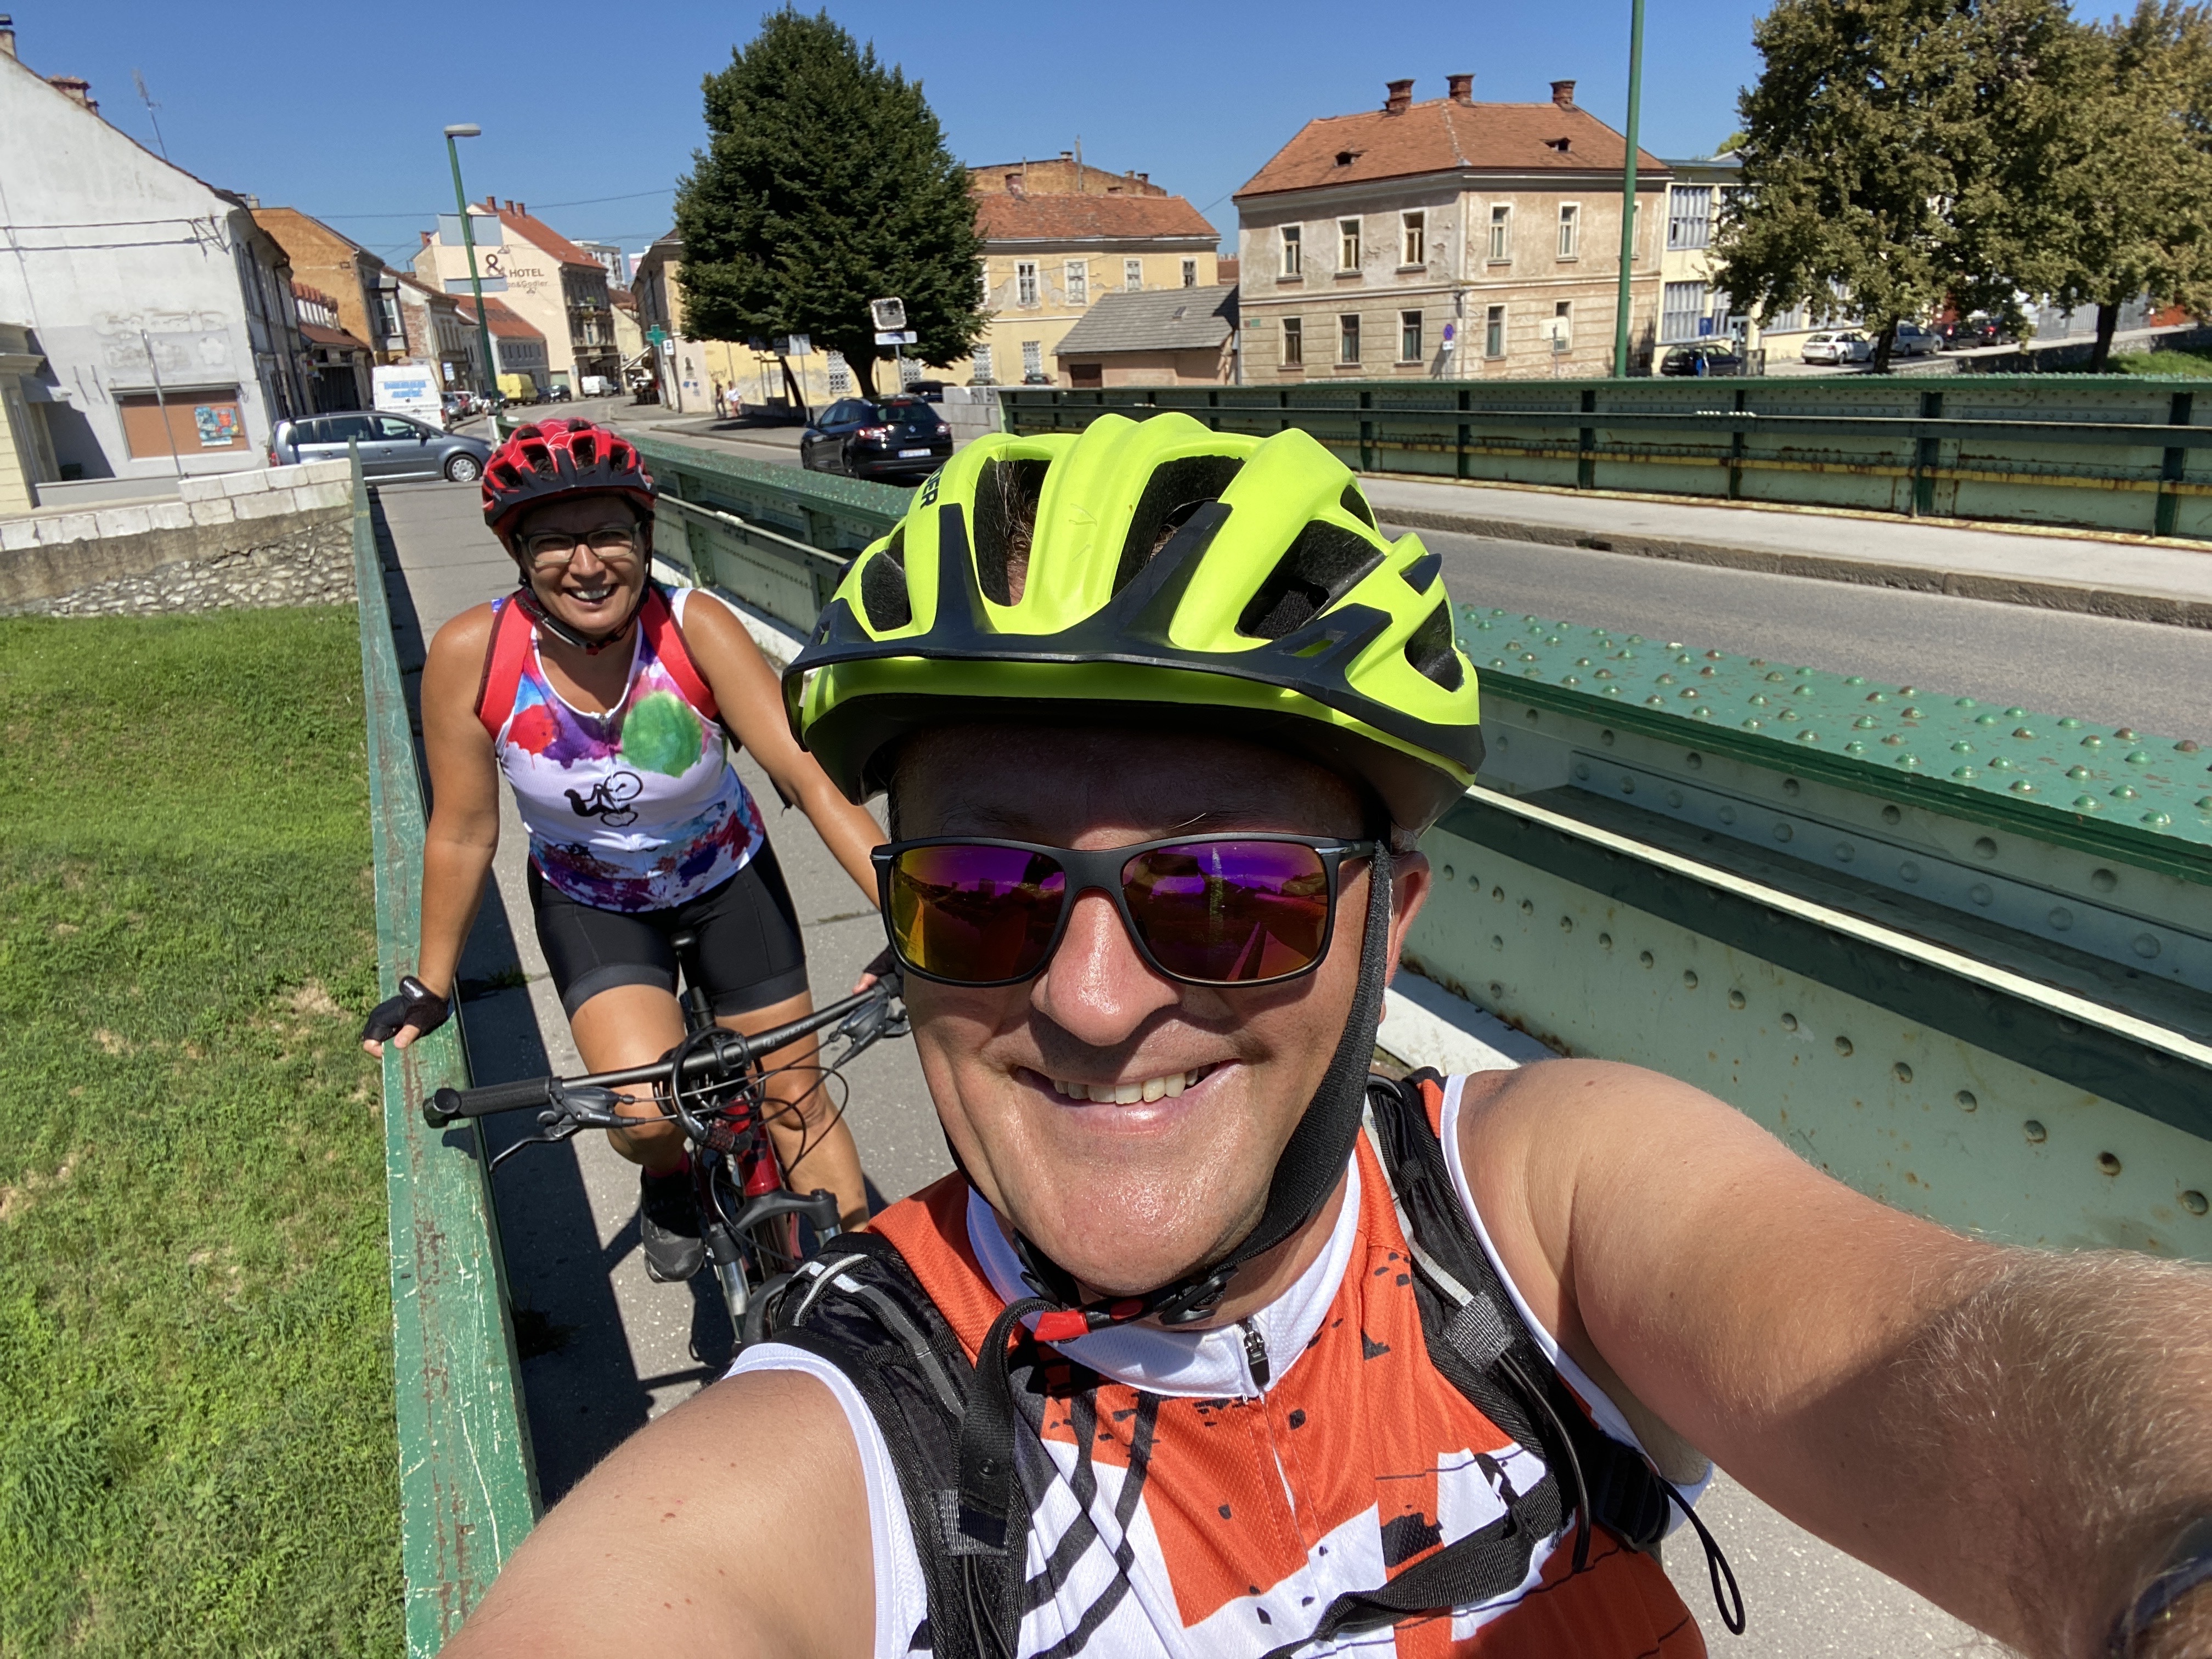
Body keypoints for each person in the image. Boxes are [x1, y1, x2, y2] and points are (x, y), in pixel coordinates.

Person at [440, 414, 2212, 1658]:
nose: (1091, 1001)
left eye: (1228, 896)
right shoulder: (840, 1449)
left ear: (1390, 922)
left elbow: (1951, 1351)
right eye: (978, 894)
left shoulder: (1529, 1218)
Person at [362, 417, 885, 1280]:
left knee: (796, 1098)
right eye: (554, 542)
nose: (587, 564)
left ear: (644, 539)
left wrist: (913, 916)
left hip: (727, 880)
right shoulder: (474, 655)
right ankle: (670, 1177)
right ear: (518, 554)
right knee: (645, 1116)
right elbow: (462, 831)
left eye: (609, 533)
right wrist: (431, 984)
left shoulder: (693, 627)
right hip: (592, 902)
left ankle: (860, 1301)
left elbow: (810, 777)